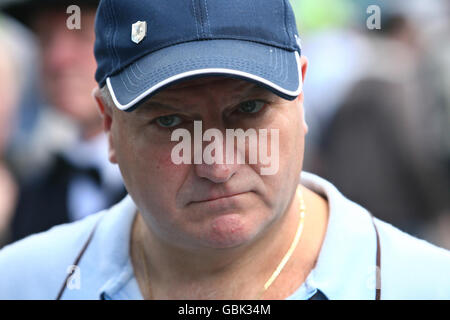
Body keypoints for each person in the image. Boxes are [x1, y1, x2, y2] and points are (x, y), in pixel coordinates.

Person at [0, 0, 449, 300]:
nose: (217, 163)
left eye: (249, 108)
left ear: (302, 96)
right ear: (109, 126)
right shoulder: (22, 282)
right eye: (170, 121)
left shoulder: (427, 285)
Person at [1, 0, 126, 242]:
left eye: (81, 36)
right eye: (45, 38)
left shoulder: (173, 177)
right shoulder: (30, 196)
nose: (56, 60)